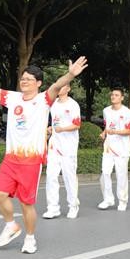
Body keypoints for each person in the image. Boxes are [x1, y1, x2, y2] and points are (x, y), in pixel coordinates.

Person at [0, 56, 88, 255]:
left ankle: (30, 238)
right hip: (11, 159)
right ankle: (11, 226)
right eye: (22, 78)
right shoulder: (13, 98)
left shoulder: (44, 100)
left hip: (31, 161)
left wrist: (70, 75)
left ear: (39, 83)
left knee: (26, 204)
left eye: (29, 79)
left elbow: (58, 84)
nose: (24, 81)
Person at [43, 84, 82, 219]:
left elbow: (77, 125)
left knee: (68, 176)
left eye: (63, 87)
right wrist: (50, 129)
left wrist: (63, 129)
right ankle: (53, 208)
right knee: (51, 175)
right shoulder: (53, 105)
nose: (59, 89)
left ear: (69, 89)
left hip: (68, 146)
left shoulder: (73, 105)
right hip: (54, 144)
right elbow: (53, 123)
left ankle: (73, 206)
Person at [97, 88, 130, 212]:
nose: (113, 97)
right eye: (112, 94)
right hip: (108, 148)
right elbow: (107, 127)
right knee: (105, 173)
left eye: (116, 95)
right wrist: (104, 133)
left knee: (121, 175)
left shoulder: (128, 112)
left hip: (122, 150)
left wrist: (115, 131)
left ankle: (122, 200)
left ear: (122, 98)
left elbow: (129, 131)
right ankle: (108, 199)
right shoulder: (106, 111)